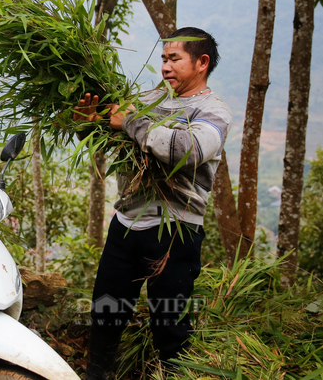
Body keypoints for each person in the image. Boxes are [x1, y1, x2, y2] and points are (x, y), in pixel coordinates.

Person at [75, 27, 232, 380]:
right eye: (163, 59)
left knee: (170, 330)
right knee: (105, 316)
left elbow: (186, 151)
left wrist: (130, 119)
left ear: (202, 62)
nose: (165, 67)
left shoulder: (213, 111)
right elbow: (107, 137)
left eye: (174, 59)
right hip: (127, 226)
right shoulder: (148, 100)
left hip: (175, 233)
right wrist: (85, 125)